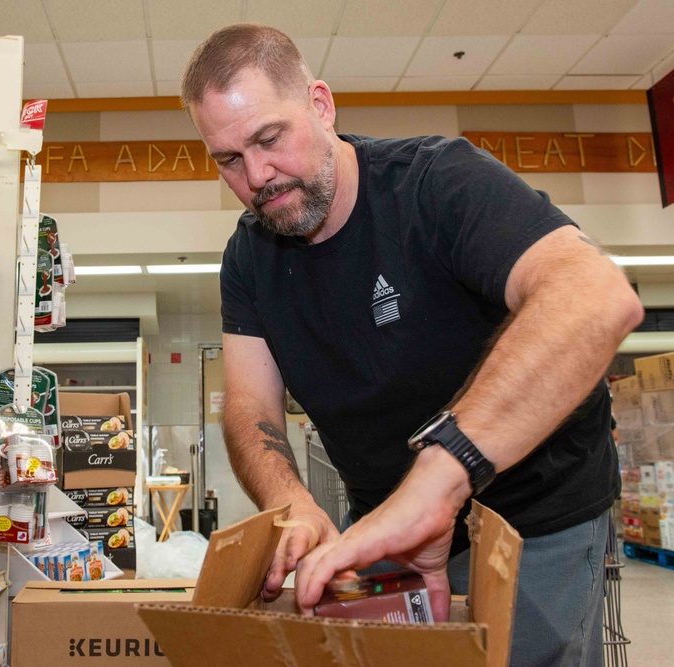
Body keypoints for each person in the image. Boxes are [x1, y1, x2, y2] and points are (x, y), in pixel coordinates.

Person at [181, 23, 644, 667]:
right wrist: (292, 503)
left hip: (533, 517)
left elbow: (596, 297)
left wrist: (440, 476)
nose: (257, 175)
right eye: (229, 160)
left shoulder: (435, 183)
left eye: (269, 138)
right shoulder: (248, 257)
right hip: (390, 523)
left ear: (320, 104)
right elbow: (249, 405)